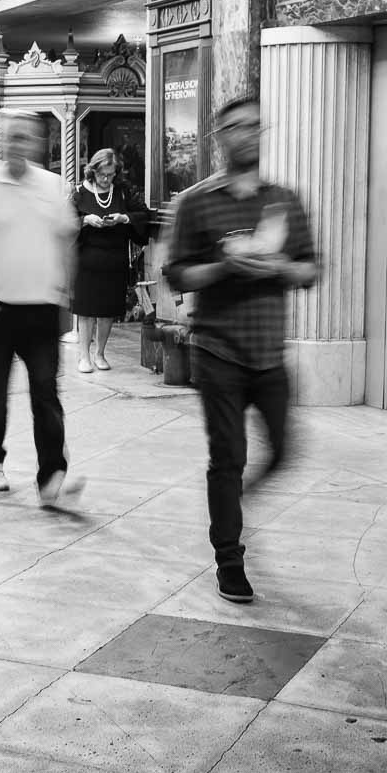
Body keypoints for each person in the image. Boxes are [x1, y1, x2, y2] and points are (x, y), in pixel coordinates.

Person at [164, 96, 317, 604]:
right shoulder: (197, 202)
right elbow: (178, 275)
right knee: (227, 458)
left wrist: (280, 268)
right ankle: (229, 558)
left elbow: (311, 268)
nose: (247, 135)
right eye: (236, 127)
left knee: (283, 452)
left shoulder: (285, 200)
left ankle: (234, 501)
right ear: (219, 137)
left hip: (269, 353)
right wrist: (226, 267)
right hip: (218, 351)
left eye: (255, 126)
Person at [0, 109, 84, 506]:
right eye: (10, 137)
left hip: (43, 307)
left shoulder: (51, 186)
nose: (17, 144)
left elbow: (67, 241)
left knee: (46, 391)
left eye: (25, 137)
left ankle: (52, 478)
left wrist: (66, 296)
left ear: (35, 143)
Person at [70, 149, 149, 373]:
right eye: (102, 174)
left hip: (114, 259)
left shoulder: (123, 191)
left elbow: (143, 215)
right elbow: (64, 222)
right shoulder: (78, 193)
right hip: (86, 259)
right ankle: (83, 356)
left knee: (107, 310)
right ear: (93, 171)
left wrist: (124, 218)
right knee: (86, 310)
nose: (106, 179)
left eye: (111, 175)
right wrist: (85, 220)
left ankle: (100, 354)